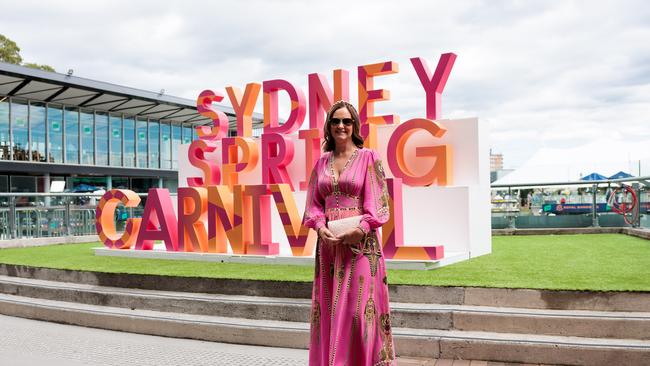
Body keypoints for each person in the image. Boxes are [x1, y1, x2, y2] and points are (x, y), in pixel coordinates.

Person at [303, 100, 395, 365]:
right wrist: (320, 228)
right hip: (329, 248)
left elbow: (379, 204)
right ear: (329, 126)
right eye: (335, 121)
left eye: (346, 121)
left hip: (361, 247)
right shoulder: (321, 163)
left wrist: (362, 229)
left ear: (354, 125)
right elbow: (312, 206)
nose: (340, 126)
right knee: (331, 311)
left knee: (359, 312)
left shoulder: (369, 157)